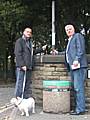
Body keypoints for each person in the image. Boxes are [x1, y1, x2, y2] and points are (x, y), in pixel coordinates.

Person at [14, 27, 47, 99]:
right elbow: (18, 53)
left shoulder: (29, 42)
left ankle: (24, 100)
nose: (29, 33)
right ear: (23, 32)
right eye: (27, 32)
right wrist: (22, 65)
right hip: (21, 67)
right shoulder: (20, 41)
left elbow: (32, 53)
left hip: (28, 67)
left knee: (27, 84)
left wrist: (41, 49)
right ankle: (17, 100)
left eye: (30, 32)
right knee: (20, 84)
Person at [65, 24, 87, 115]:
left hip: (79, 66)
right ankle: (78, 108)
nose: (68, 31)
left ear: (74, 29)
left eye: (70, 29)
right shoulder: (70, 40)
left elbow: (80, 49)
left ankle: (80, 109)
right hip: (73, 67)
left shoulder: (77, 36)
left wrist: (77, 59)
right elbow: (69, 52)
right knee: (76, 88)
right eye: (67, 30)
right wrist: (57, 53)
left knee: (78, 88)